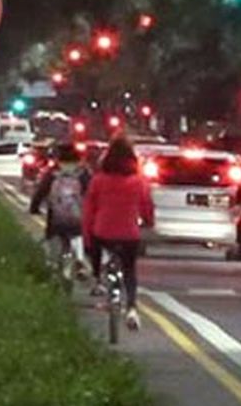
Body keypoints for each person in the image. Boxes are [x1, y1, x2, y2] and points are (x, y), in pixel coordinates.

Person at [81, 138, 153, 331]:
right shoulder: (139, 181)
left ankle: (97, 280)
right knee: (129, 270)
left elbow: (89, 209)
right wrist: (148, 222)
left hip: (102, 231)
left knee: (96, 250)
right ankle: (131, 308)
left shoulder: (98, 180)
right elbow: (147, 206)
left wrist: (87, 234)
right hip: (130, 233)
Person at [29, 142, 90, 272]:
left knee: (52, 238)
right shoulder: (82, 173)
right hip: (76, 217)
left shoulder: (52, 174)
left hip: (56, 219)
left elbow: (41, 192)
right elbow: (91, 193)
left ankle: (52, 264)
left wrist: (34, 208)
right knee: (78, 234)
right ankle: (79, 260)